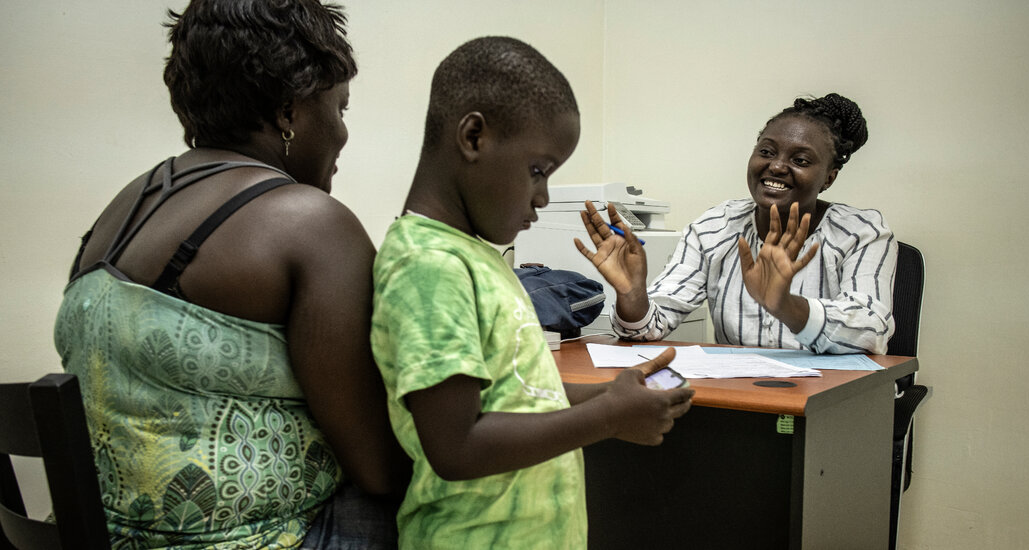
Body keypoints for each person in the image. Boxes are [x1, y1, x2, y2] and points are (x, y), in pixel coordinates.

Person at [52, 1, 407, 547]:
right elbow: (377, 467)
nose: (343, 133)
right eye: (340, 108)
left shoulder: (125, 207)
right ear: (289, 112)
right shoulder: (309, 221)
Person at [369, 36, 695, 549]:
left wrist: (610, 393)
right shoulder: (427, 265)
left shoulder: (473, 256)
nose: (542, 197)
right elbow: (457, 447)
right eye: (539, 171)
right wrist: (608, 417)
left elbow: (515, 392)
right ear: (474, 137)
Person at [576, 93, 896, 355]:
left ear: (829, 178)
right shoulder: (714, 228)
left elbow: (871, 330)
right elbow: (650, 327)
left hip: (832, 402)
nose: (777, 166)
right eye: (766, 151)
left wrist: (786, 305)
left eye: (800, 160)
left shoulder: (862, 233)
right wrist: (632, 296)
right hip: (742, 398)